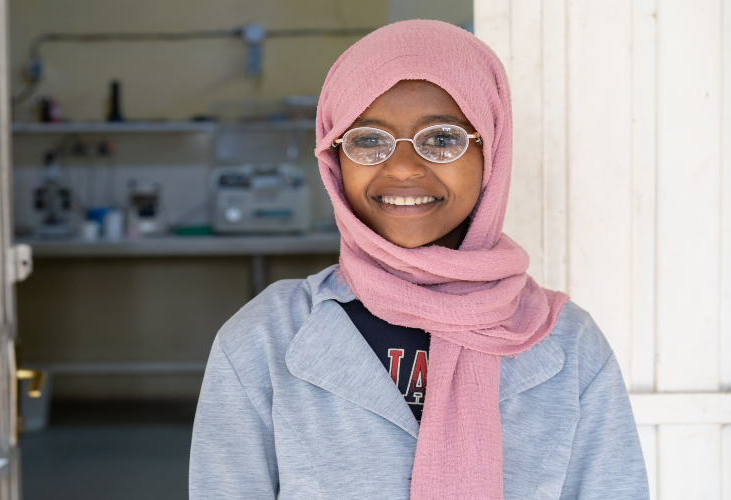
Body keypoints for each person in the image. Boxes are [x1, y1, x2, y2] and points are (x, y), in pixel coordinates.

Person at [189, 20, 648, 500]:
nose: (404, 167)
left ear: (490, 152)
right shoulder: (264, 341)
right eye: (368, 139)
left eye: (443, 138)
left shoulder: (568, 347)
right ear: (334, 158)